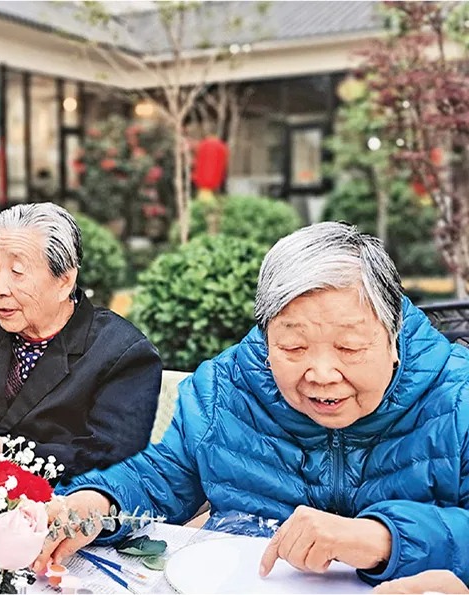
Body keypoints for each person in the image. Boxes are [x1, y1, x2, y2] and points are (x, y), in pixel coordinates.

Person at [36, 222, 469, 587]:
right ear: (266, 338)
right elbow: (162, 476)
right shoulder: (226, 388)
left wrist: (386, 539)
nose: (321, 373)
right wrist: (96, 503)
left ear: (395, 335)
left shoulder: (458, 397)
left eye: (350, 347)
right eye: (293, 347)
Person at [0, 202, 161, 479]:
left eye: (18, 272)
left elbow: (113, 458)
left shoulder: (122, 354)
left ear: (64, 281)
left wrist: (8, 452)